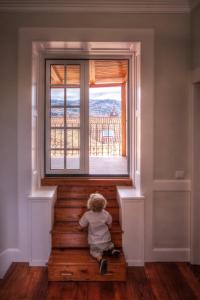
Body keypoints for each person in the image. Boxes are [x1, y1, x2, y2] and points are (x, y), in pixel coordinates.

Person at [79, 192, 120, 274]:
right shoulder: (106, 214)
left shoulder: (87, 215)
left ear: (90, 204)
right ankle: (112, 250)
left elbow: (81, 225)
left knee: (95, 252)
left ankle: (101, 260)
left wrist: (79, 229)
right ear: (103, 204)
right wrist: (110, 227)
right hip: (106, 240)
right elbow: (110, 224)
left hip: (95, 242)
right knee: (109, 245)